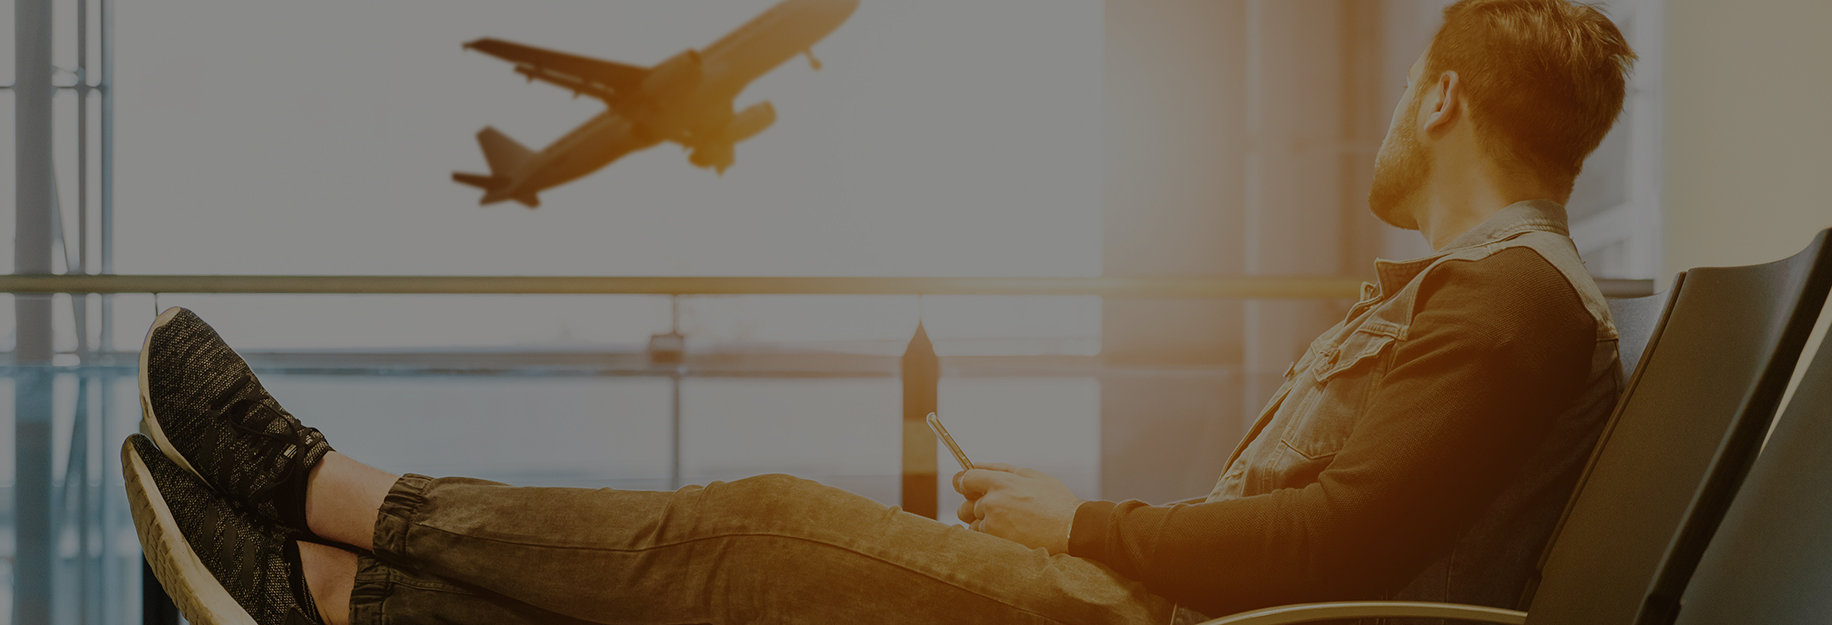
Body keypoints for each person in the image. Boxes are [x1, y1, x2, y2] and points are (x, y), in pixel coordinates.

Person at [121, 1, 1636, 623]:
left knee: (748, 524)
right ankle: (327, 594)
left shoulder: (1508, 308)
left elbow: (1330, 548)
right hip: (1175, 601)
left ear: (1443, 92)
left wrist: (1077, 525)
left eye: (1400, 93)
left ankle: (322, 494)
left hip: (1169, 620)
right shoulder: (1489, 301)